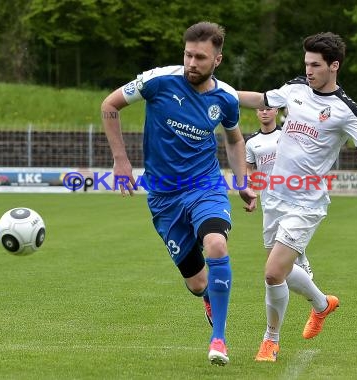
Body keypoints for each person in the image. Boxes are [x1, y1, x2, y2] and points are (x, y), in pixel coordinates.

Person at [238, 32, 357, 362]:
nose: (309, 70)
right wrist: (221, 94)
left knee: (272, 272)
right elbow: (260, 99)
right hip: (274, 196)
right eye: (306, 64)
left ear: (334, 66)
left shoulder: (348, 111)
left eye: (315, 65)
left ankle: (270, 340)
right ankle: (321, 304)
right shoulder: (296, 88)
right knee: (282, 271)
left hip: (307, 203)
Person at [101, 21, 257, 366]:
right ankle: (207, 297)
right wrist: (120, 159)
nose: (191, 63)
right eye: (188, 55)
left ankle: (219, 338)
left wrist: (242, 180)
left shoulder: (225, 99)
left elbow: (234, 140)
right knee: (198, 283)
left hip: (205, 186)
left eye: (200, 57)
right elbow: (109, 105)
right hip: (163, 196)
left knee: (216, 244)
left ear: (217, 59)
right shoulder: (158, 81)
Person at [245, 107, 313, 277]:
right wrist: (249, 193)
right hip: (268, 201)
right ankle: (297, 267)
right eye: (260, 109)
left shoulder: (288, 135)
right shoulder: (252, 142)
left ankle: (303, 263)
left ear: (276, 112)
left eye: (268, 109)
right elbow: (248, 169)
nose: (264, 112)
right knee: (271, 254)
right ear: (256, 113)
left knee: (288, 237)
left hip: (291, 198)